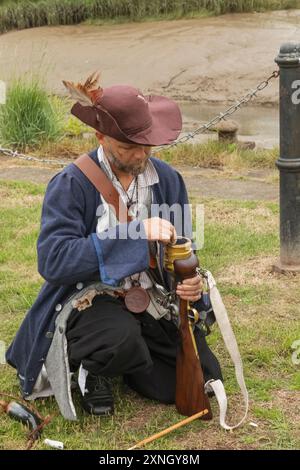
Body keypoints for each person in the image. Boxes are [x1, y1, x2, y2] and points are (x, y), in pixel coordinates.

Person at [6, 77, 222, 419]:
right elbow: (54, 261)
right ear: (101, 137)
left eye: (146, 144)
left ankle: (130, 357)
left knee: (200, 376)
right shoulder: (71, 184)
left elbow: (183, 248)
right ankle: (94, 371)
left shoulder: (168, 180)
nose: (139, 155)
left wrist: (190, 281)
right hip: (90, 301)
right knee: (119, 341)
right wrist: (136, 234)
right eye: (127, 147)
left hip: (150, 301)